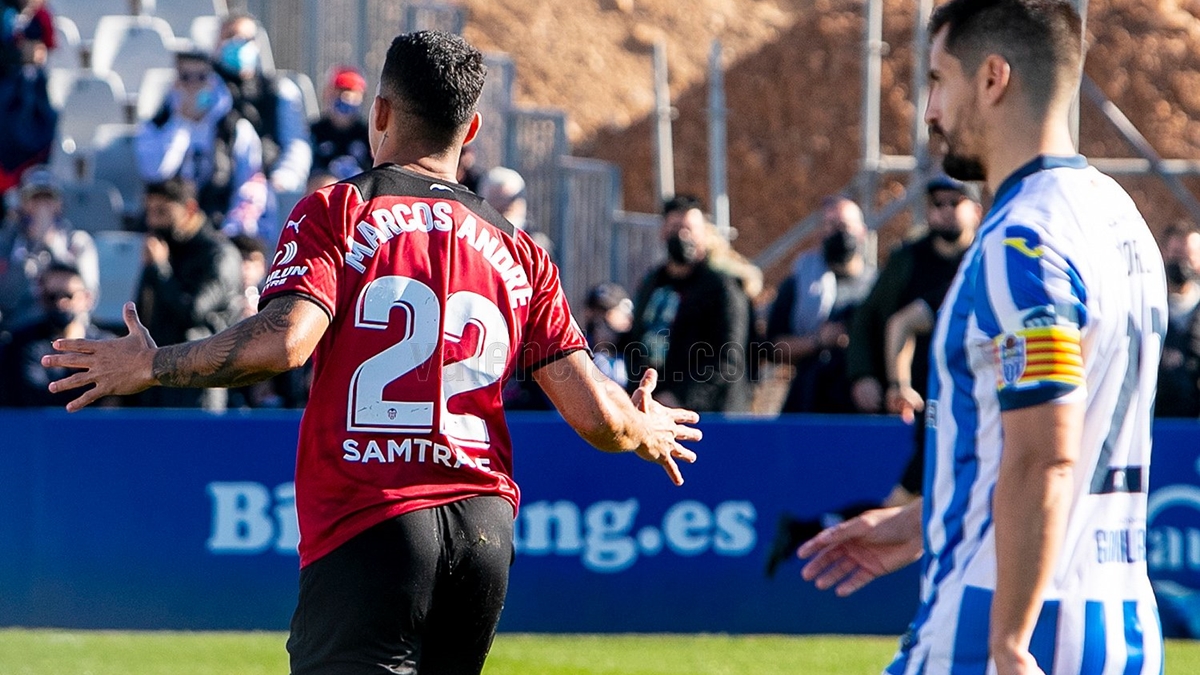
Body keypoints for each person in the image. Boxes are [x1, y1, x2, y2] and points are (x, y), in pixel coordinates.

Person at [44, 31, 700, 675]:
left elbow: (284, 341)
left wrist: (151, 363)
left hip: (374, 520)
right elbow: (598, 418)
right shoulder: (523, 251)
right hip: (484, 537)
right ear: (470, 132)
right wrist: (642, 426)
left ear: (379, 112)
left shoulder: (340, 209)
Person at [799, 2, 1167, 674]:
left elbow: (1046, 457)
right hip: (1120, 625)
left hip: (1001, 621)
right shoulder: (1122, 219)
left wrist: (1009, 642)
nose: (930, 110)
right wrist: (926, 520)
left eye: (939, 80)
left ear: (993, 79)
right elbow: (1067, 440)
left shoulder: (1024, 240)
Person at [623, 194, 753, 412]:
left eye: (689, 229)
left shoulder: (722, 288)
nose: (682, 236)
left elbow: (729, 359)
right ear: (663, 232)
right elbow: (641, 340)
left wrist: (679, 397)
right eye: (675, 228)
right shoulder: (652, 282)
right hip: (654, 410)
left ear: (703, 234)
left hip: (708, 415)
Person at [134, 178, 243, 409]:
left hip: (198, 382)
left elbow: (194, 310)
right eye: (149, 211)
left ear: (190, 209)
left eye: (162, 211)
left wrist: (160, 269)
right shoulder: (165, 249)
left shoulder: (218, 254)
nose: (153, 220)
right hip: (156, 378)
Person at [136, 48, 268, 234]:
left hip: (219, 228)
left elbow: (249, 187)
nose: (194, 84)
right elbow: (155, 172)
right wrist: (181, 123)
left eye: (201, 77)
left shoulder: (236, 129)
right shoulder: (156, 125)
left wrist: (230, 231)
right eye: (186, 77)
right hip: (168, 229)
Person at [766, 196, 876, 413]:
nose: (840, 233)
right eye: (832, 226)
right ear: (820, 234)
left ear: (862, 232)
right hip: (809, 398)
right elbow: (773, 348)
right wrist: (818, 341)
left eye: (845, 226)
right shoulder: (799, 284)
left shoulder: (877, 287)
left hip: (860, 402)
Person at [213, 12, 311, 195]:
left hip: (265, 189)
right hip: (214, 189)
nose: (238, 43)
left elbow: (296, 143)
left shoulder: (278, 90)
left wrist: (282, 178)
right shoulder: (203, 85)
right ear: (217, 42)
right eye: (230, 37)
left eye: (246, 38)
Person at [0, 262, 113, 406]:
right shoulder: (21, 345)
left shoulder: (105, 345)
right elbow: (34, 397)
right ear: (41, 299)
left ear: (86, 298)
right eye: (52, 297)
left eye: (68, 295)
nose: (61, 303)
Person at [0, 166, 97, 332]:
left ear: (59, 204)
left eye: (48, 199)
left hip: (68, 328)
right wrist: (31, 250)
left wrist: (51, 244)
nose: (42, 206)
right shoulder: (8, 243)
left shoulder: (79, 242)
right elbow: (6, 298)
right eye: (35, 199)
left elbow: (88, 295)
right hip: (21, 330)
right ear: (23, 204)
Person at [1156, 222, 1200, 417]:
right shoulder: (1152, 309)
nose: (1182, 264)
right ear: (1164, 255)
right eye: (1176, 255)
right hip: (1158, 423)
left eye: (1188, 257)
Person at [310, 65, 372, 180]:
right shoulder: (313, 132)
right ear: (327, 94)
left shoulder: (369, 135)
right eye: (339, 92)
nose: (345, 98)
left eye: (352, 93)